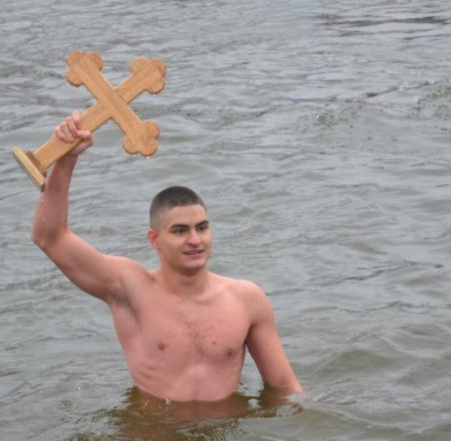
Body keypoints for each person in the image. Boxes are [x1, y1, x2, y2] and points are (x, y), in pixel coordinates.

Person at [31, 112, 302, 403]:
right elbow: (50, 237)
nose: (195, 240)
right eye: (180, 231)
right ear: (155, 239)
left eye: (202, 228)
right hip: (154, 428)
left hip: (223, 428)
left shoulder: (247, 300)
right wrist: (66, 160)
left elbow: (284, 387)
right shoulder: (129, 288)